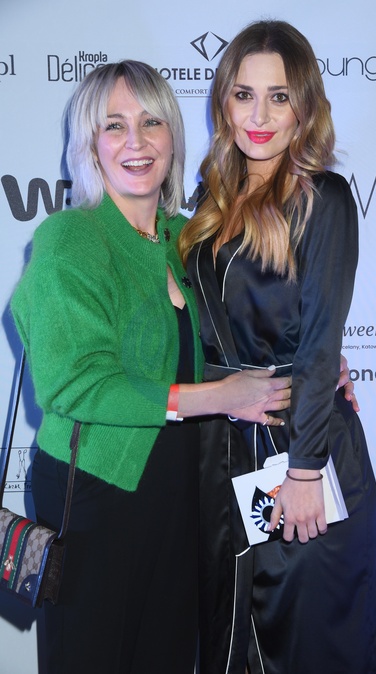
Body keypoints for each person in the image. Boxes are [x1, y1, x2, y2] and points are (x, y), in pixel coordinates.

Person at [9, 60, 293, 674]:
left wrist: (319, 370)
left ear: (172, 136)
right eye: (114, 125)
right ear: (90, 145)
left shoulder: (187, 239)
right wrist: (221, 397)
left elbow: (237, 347)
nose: (135, 141)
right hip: (97, 492)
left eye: (151, 122)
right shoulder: (70, 239)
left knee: (169, 656)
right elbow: (77, 384)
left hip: (185, 494)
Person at [179, 20, 376, 674]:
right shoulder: (211, 200)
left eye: (279, 97)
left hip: (300, 452)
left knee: (306, 642)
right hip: (223, 451)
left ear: (305, 105)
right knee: (234, 642)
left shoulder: (323, 198)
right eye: (244, 94)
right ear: (223, 100)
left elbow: (323, 339)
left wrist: (303, 473)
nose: (260, 116)